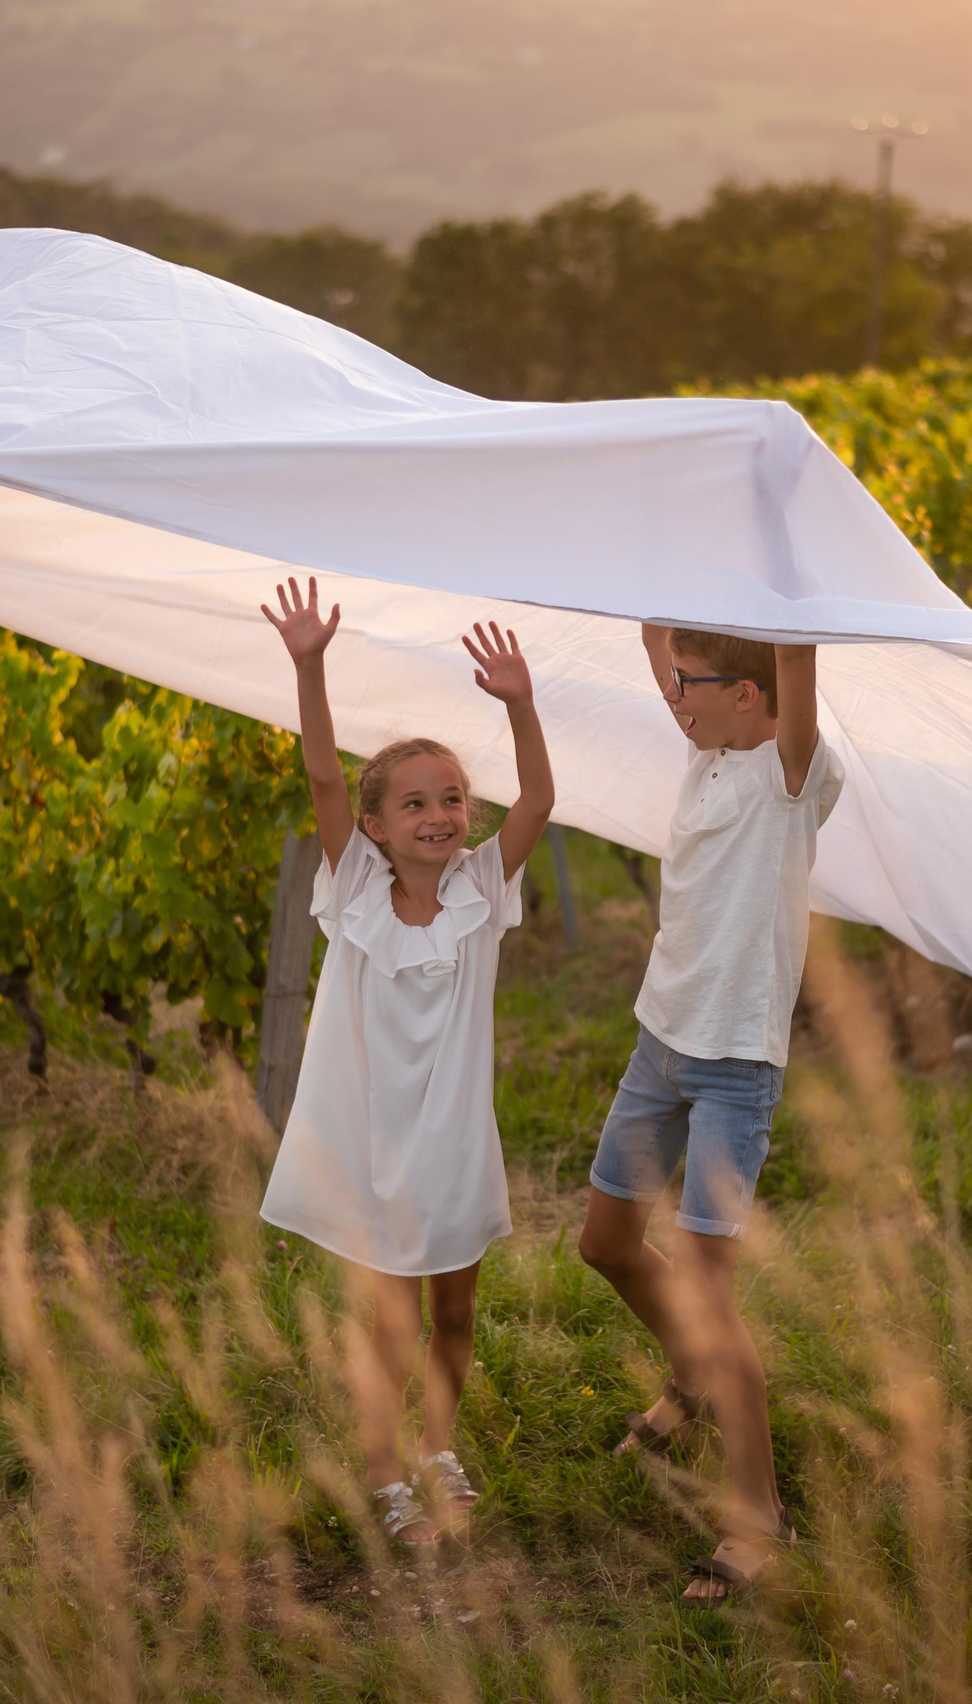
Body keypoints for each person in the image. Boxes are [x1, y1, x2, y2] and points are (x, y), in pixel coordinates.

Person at [255, 576, 554, 1548]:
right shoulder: (354, 896)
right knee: (390, 1324)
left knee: (456, 1316)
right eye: (415, 803)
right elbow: (325, 781)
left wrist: (519, 706)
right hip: (374, 1141)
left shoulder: (479, 892)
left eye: (452, 798)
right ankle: (385, 1475)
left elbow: (541, 798)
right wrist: (311, 669)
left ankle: (437, 1448)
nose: (438, 814)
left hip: (453, 1140)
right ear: (377, 829)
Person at [576, 625, 841, 1603]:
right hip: (660, 1046)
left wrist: (783, 600)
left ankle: (757, 1516)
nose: (669, 696)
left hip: (734, 1070)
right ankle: (691, 1373)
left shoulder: (788, 777)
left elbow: (798, 659)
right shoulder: (706, 752)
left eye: (688, 683)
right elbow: (659, 635)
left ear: (748, 693)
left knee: (706, 1283)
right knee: (602, 1244)